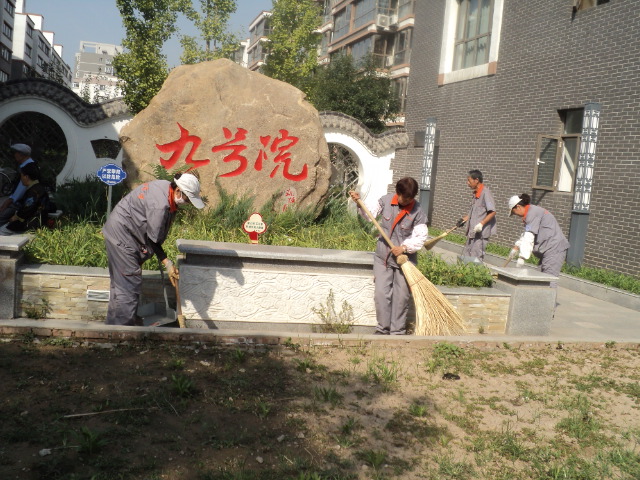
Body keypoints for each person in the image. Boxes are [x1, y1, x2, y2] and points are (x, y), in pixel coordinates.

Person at [102, 173, 205, 326]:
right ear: (178, 190)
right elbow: (153, 239)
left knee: (121, 284)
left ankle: (116, 326)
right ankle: (123, 330)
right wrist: (167, 263)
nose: (188, 203)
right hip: (123, 236)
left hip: (123, 232)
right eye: (188, 199)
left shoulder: (165, 188)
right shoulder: (159, 205)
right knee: (128, 284)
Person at [350, 177, 428, 335]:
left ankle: (397, 332)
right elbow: (370, 214)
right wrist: (359, 203)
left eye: (411, 198)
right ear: (397, 193)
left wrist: (404, 247)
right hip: (383, 257)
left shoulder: (418, 211)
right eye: (405, 198)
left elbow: (421, 237)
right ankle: (382, 329)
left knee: (401, 297)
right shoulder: (386, 201)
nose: (408, 201)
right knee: (381, 294)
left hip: (405, 260)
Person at [508, 193, 570, 288]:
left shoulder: (532, 213)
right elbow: (526, 234)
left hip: (554, 249)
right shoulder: (531, 212)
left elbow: (529, 236)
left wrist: (522, 257)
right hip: (548, 250)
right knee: (539, 279)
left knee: (549, 280)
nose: (515, 215)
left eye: (514, 212)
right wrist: (516, 247)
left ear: (518, 207)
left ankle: (549, 297)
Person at [457, 169, 496, 262]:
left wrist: (481, 224)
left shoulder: (486, 193)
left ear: (476, 180)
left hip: (480, 235)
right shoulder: (475, 194)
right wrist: (463, 220)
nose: (467, 183)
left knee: (475, 259)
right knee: (466, 257)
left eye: (469, 180)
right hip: (472, 233)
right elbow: (474, 213)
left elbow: (492, 212)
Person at [0, 162, 48, 235]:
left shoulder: (33, 191)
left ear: (26, 177)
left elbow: (27, 209)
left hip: (30, 224)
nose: (21, 179)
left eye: (21, 176)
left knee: (1, 231)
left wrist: (15, 217)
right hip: (37, 221)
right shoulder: (39, 187)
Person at [0, 144, 37, 226]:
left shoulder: (28, 168)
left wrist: (9, 201)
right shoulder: (28, 165)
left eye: (16, 153)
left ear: (21, 155)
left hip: (22, 203)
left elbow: (22, 189)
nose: (14, 155)